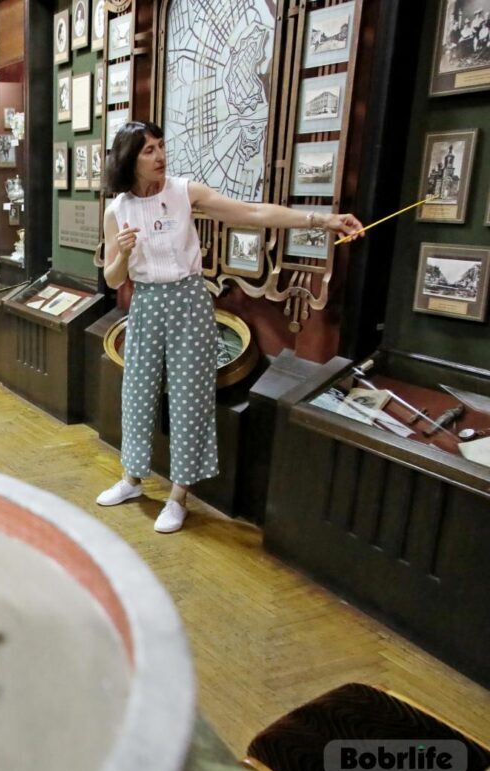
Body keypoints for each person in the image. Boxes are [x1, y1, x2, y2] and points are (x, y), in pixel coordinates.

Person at [95, 122, 364, 533]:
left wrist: (321, 220)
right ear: (129, 158)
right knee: (137, 393)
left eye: (161, 146)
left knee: (190, 397)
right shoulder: (117, 210)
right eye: (149, 150)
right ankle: (131, 479)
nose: (160, 156)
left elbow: (252, 212)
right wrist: (123, 255)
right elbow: (114, 279)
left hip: (188, 301)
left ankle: (178, 496)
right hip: (146, 302)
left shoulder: (184, 192)